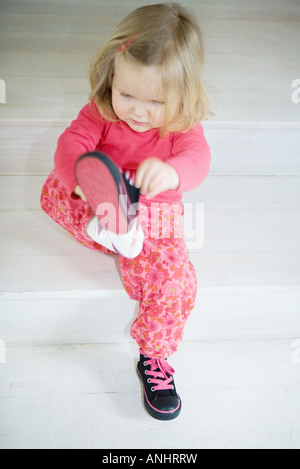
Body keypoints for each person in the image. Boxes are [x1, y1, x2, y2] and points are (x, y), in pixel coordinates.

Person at [40, 2, 211, 420]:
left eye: (154, 101)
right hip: (104, 200)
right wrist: (79, 180)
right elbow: (70, 144)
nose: (136, 109)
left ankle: (153, 356)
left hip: (154, 216)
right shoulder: (100, 110)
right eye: (126, 94)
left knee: (176, 281)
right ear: (110, 78)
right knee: (57, 189)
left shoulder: (183, 127)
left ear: (183, 95)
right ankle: (112, 224)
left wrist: (171, 173)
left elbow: (199, 160)